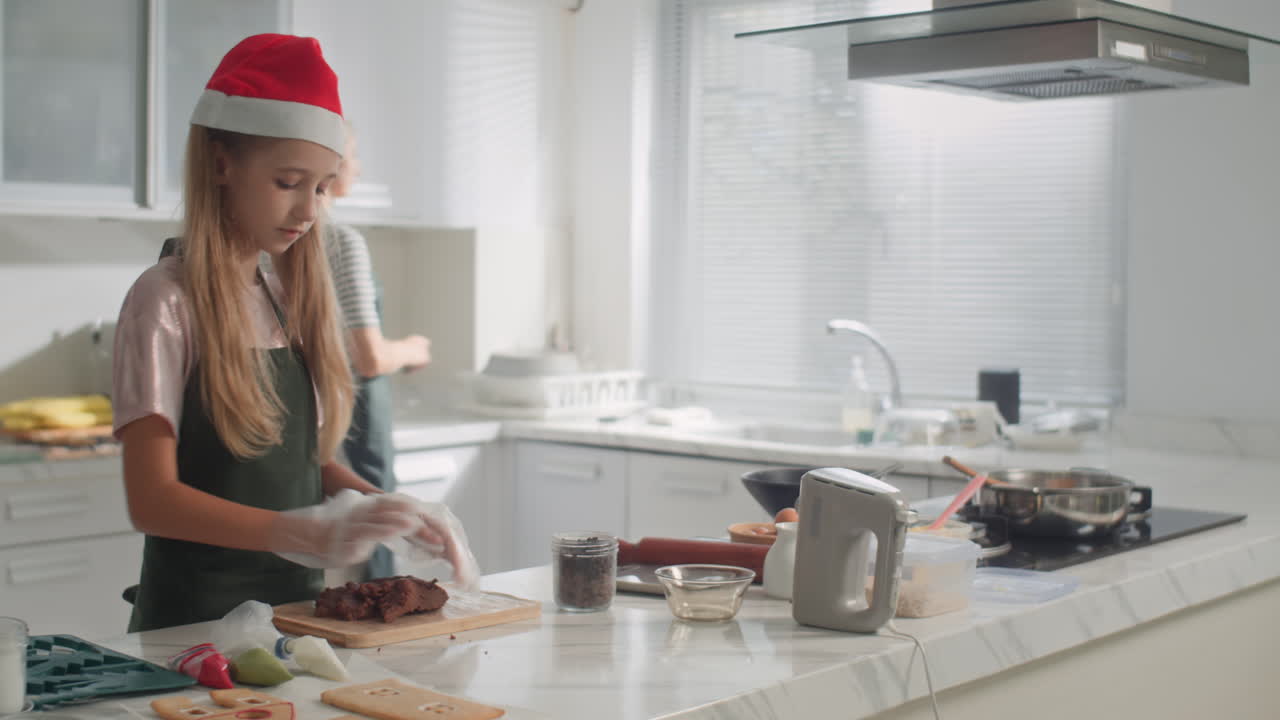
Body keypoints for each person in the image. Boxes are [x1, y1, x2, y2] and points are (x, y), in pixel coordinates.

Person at [112, 34, 460, 632]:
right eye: (288, 181)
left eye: (321, 187)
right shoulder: (164, 300)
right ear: (222, 164)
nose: (307, 210)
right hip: (191, 634)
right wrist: (293, 531)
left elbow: (306, 466)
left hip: (297, 621)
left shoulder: (284, 299)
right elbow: (151, 501)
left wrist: (384, 509)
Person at [323, 125, 431, 579]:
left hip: (323, 414)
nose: (359, 166)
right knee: (379, 521)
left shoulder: (279, 243)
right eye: (353, 153)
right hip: (355, 413)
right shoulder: (340, 241)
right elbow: (366, 357)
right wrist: (412, 348)